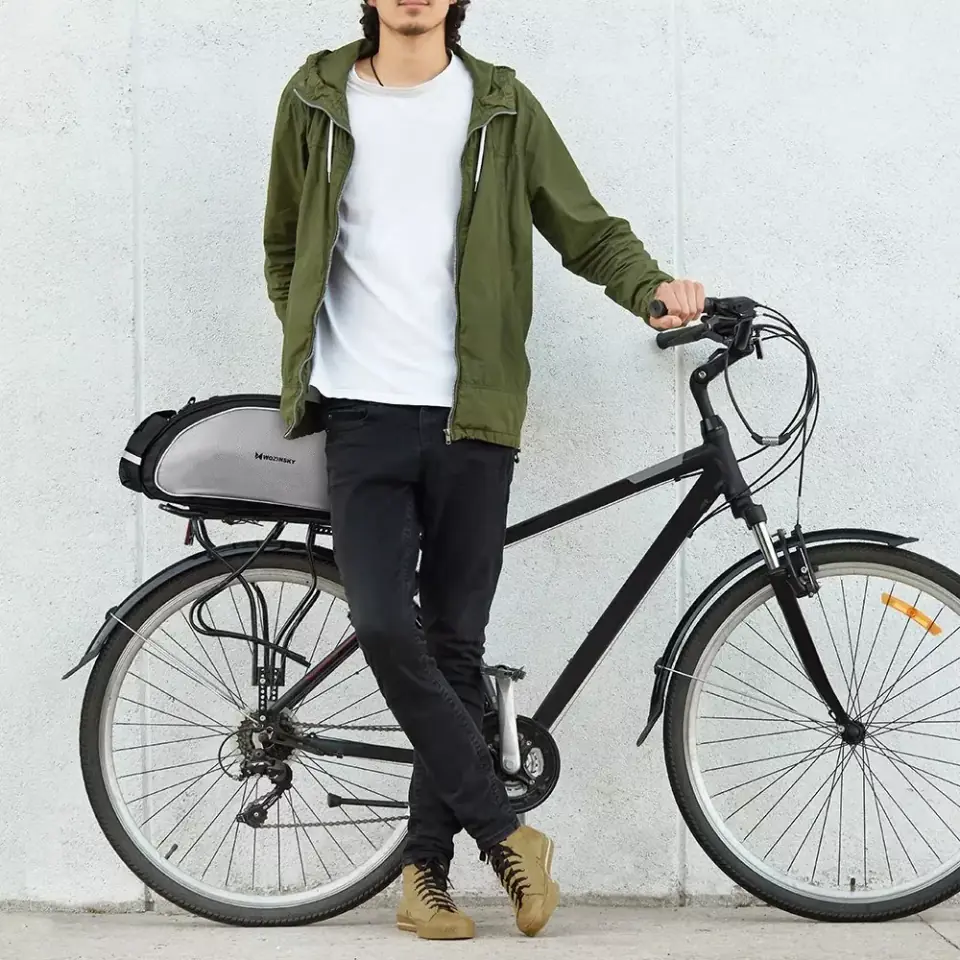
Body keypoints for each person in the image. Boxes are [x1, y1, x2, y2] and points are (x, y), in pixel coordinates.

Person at [263, 0, 704, 941]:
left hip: (475, 412)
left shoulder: (501, 105)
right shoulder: (314, 98)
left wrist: (651, 289)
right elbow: (284, 245)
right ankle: (506, 833)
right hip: (361, 412)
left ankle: (423, 877)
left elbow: (584, 228)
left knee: (455, 645)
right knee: (386, 625)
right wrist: (310, 343)